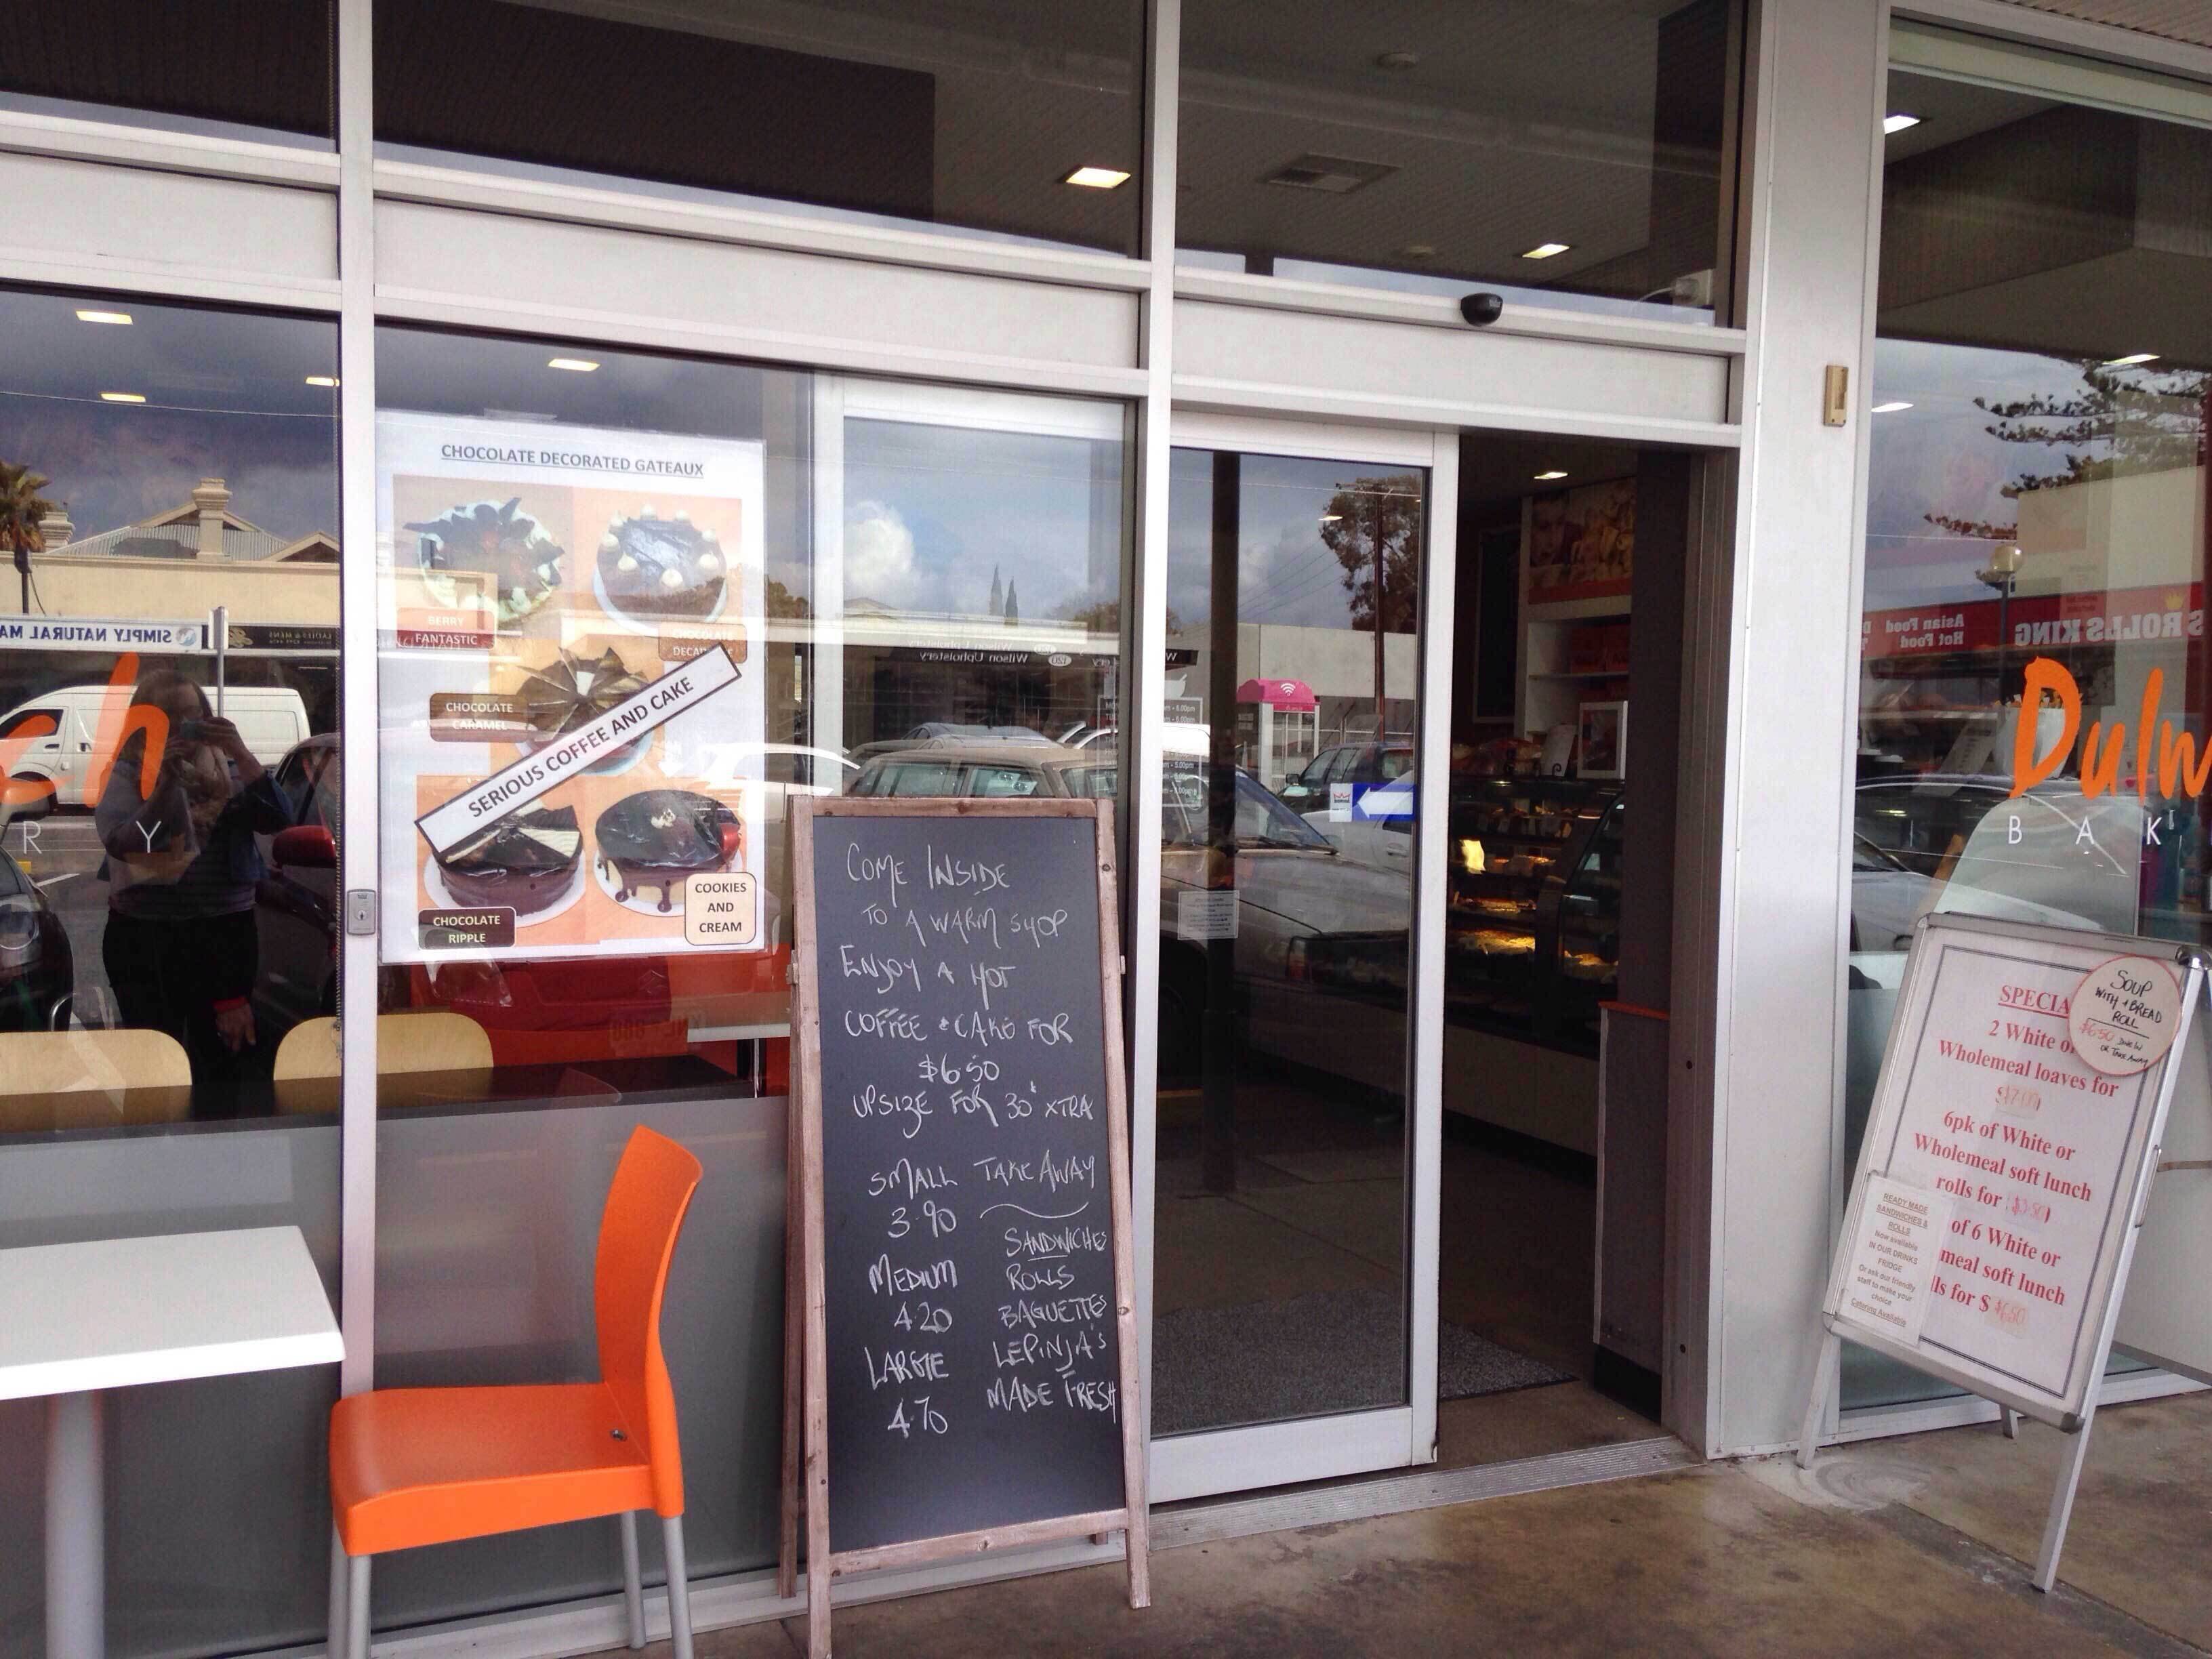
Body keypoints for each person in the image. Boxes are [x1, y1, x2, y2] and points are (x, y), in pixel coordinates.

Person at [95, 670, 293, 1115]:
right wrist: (166, 784)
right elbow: (131, 840)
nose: (187, 725)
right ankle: (151, 1159)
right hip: (145, 936)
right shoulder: (130, 773)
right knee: (151, 1062)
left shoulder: (227, 769)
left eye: (195, 715)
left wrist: (240, 752)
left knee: (220, 1063)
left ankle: (210, 1158)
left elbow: (278, 817)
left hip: (223, 933)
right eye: (172, 717)